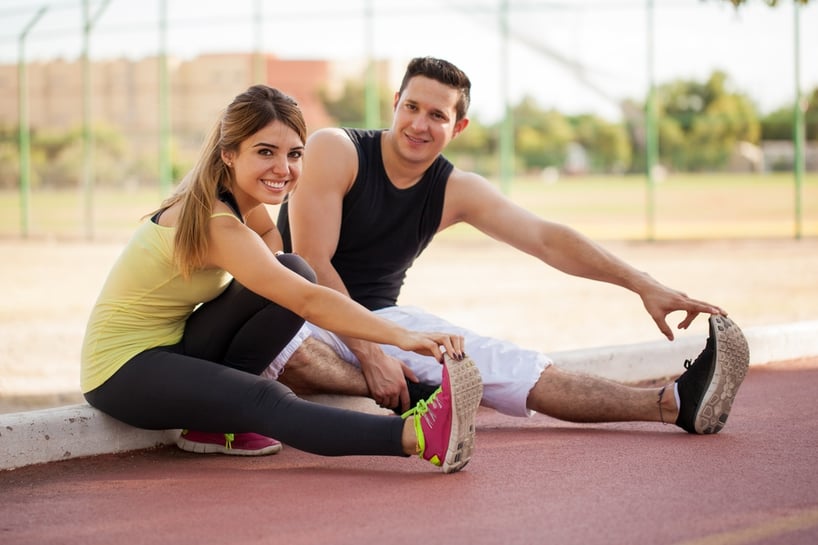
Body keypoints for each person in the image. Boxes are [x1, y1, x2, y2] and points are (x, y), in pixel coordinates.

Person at [274, 56, 750, 434]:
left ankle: (672, 403)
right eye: (412, 107)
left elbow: (547, 239)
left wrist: (642, 284)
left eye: (437, 115)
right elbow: (313, 263)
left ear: (457, 127)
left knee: (505, 365)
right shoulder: (335, 149)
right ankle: (421, 393)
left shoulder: (455, 189)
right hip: (299, 310)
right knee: (284, 350)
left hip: (383, 320)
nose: (420, 124)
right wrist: (374, 359)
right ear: (395, 103)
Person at [80, 84, 483, 474]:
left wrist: (267, 266)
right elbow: (308, 302)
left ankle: (213, 422)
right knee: (264, 396)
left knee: (293, 268)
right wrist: (400, 336)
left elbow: (275, 246)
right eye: (265, 152)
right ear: (230, 155)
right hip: (121, 372)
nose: (283, 168)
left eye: (294, 154)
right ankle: (416, 437)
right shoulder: (215, 222)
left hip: (174, 346)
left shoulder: (236, 198)